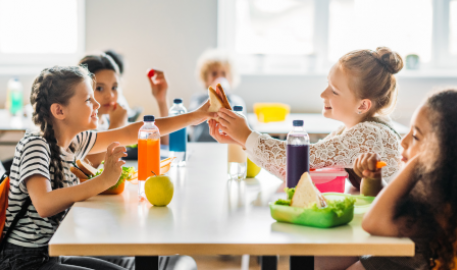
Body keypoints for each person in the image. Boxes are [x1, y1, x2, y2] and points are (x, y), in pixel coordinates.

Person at [0, 66, 212, 270]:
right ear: (59, 110)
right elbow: (44, 204)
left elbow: (132, 132)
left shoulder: (74, 140)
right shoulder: (36, 144)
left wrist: (194, 117)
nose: (97, 105)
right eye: (87, 100)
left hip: (50, 254)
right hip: (22, 261)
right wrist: (102, 181)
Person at [209, 47, 404, 185]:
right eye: (327, 84)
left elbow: (303, 158)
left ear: (363, 105)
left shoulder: (367, 134)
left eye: (334, 91)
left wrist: (246, 136)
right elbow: (298, 171)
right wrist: (242, 140)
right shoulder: (347, 130)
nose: (323, 94)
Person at [189, 49, 245, 142]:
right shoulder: (198, 98)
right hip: (202, 144)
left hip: (227, 146)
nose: (219, 78)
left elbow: (245, 127)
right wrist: (213, 97)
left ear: (230, 78)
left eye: (223, 73)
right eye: (214, 74)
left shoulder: (237, 101)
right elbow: (191, 121)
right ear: (206, 79)